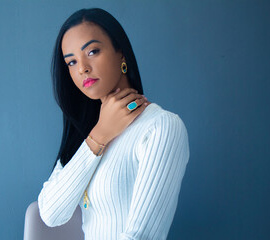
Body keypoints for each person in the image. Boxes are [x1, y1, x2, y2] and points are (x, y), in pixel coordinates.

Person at [37, 8, 189, 240]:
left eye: (92, 51)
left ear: (121, 53)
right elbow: (50, 214)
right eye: (71, 62)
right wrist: (98, 136)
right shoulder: (86, 131)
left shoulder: (161, 127)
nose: (82, 68)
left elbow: (141, 236)